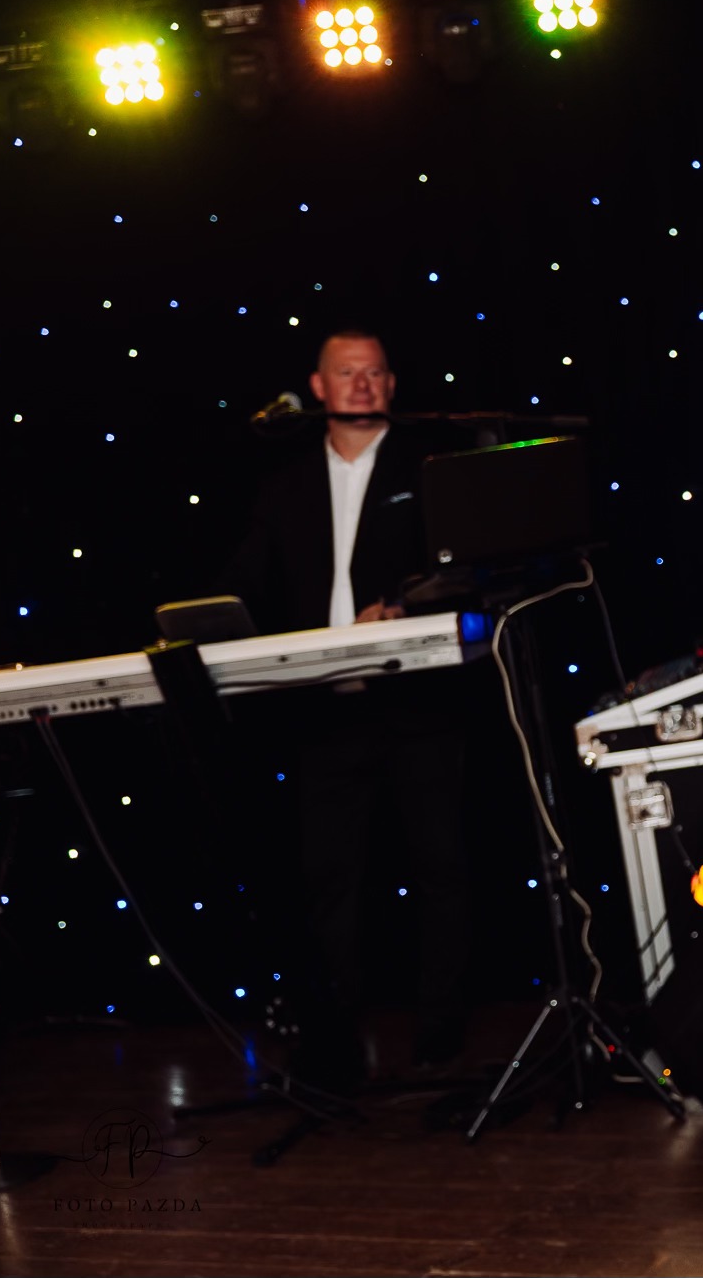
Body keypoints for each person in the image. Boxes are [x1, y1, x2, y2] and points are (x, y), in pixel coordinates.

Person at [222, 328, 470, 1084]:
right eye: (346, 372)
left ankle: (441, 1038)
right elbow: (248, 588)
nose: (361, 384)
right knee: (329, 881)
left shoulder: (429, 469)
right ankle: (333, 1041)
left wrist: (401, 606)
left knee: (442, 868)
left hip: (419, 702)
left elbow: (465, 565)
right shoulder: (284, 486)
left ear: (391, 384)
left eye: (374, 372)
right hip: (325, 712)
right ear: (317, 387)